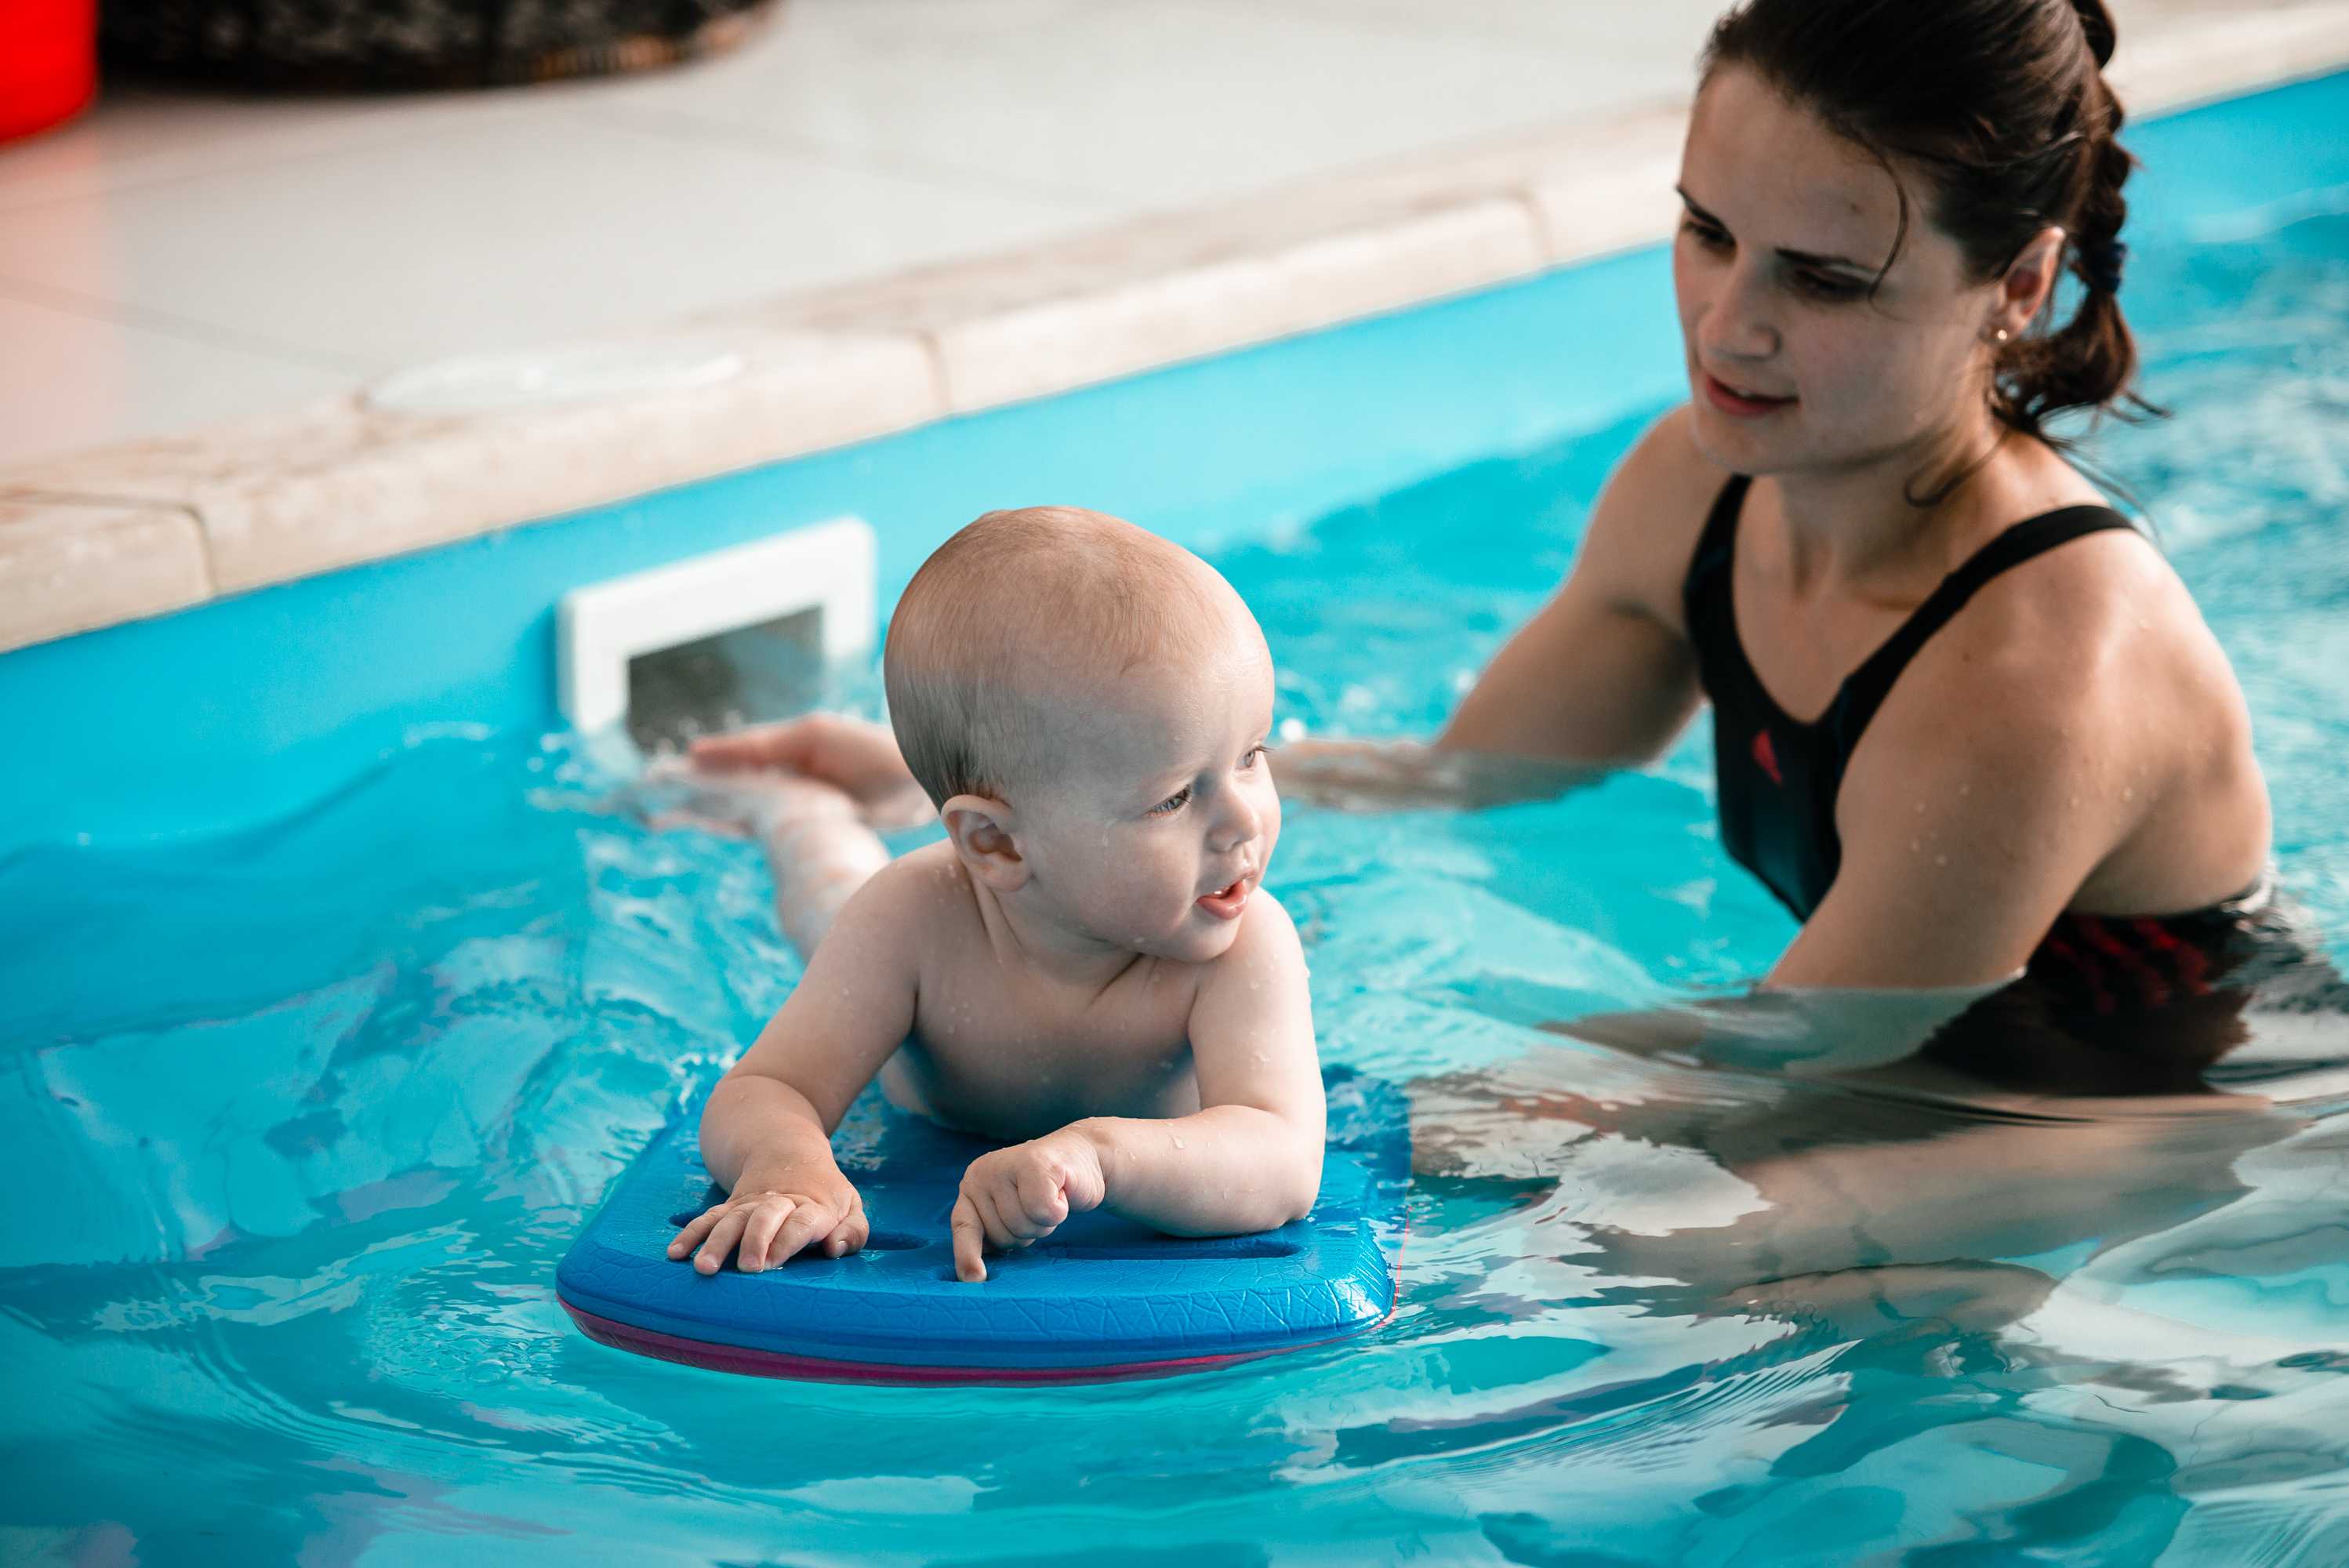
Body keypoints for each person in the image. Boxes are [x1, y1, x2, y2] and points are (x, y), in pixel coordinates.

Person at [691, 0, 2279, 1020]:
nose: (1729, 325)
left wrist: (1318, 1106)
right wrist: (1028, 798)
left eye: (1823, 278)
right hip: (1926, 1070)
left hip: (2183, 1123)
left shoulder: (2042, 666)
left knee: (1703, 1258)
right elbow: (1462, 778)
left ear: (2015, 285)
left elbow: (1791, 1066)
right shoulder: (1697, 485)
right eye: (1705, 232)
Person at [666, 507, 1325, 1284]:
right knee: (828, 883)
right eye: (1176, 797)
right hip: (918, 921)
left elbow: (1281, 1160)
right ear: (996, 844)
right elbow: (766, 1085)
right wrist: (788, 1165)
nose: (1246, 817)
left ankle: (876, 773)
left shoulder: (1242, 946)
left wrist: (1099, 1156)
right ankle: (785, 796)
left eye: (1251, 754)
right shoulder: (911, 921)